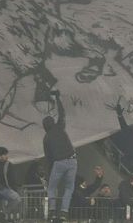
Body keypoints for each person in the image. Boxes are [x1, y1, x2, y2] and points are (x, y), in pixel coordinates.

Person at [42, 89, 76, 222]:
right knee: (69, 187)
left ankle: (52, 211)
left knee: (52, 187)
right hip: (72, 160)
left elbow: (48, 158)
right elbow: (62, 113)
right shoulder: (60, 126)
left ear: (44, 126)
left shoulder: (46, 138)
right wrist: (57, 98)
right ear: (53, 122)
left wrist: (48, 174)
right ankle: (64, 212)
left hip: (59, 162)